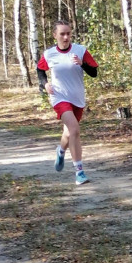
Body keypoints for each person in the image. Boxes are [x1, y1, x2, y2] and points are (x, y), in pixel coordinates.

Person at [37, 20, 99, 185]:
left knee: (69, 132)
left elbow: (94, 73)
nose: (66, 37)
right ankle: (79, 172)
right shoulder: (49, 54)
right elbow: (40, 70)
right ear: (55, 35)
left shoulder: (80, 50)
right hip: (59, 97)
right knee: (74, 129)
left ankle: (61, 150)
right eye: (62, 34)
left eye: (68, 33)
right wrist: (45, 84)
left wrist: (83, 64)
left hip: (77, 98)